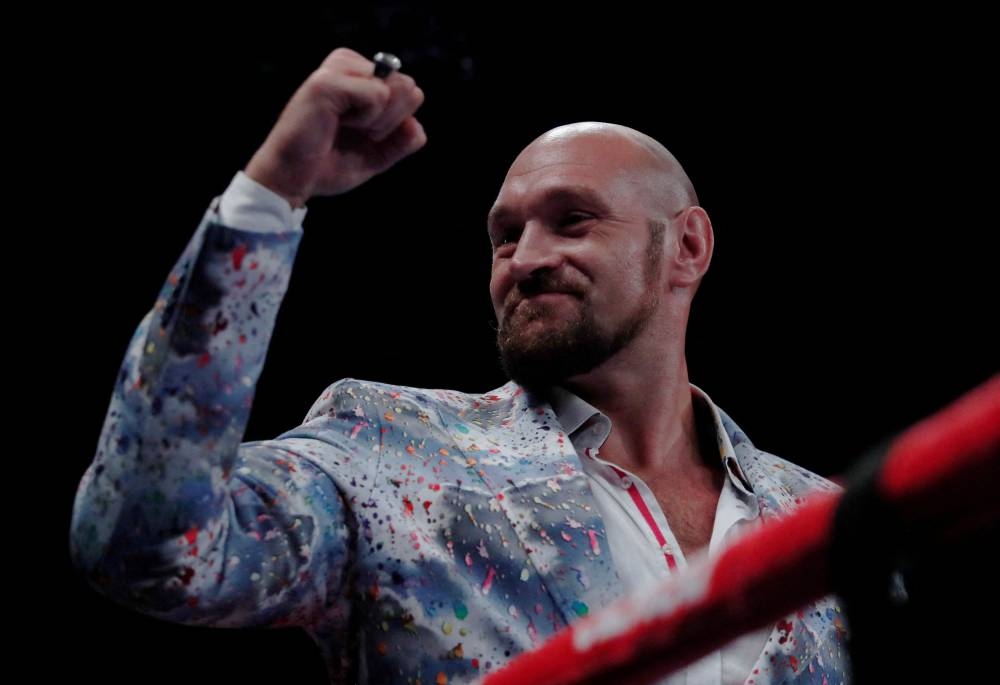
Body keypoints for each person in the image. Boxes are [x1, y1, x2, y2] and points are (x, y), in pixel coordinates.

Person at [70, 47, 850, 684]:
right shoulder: (390, 454)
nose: (528, 259)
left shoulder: (830, 519)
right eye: (504, 236)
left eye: (572, 220)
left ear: (688, 247)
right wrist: (273, 191)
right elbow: (145, 544)